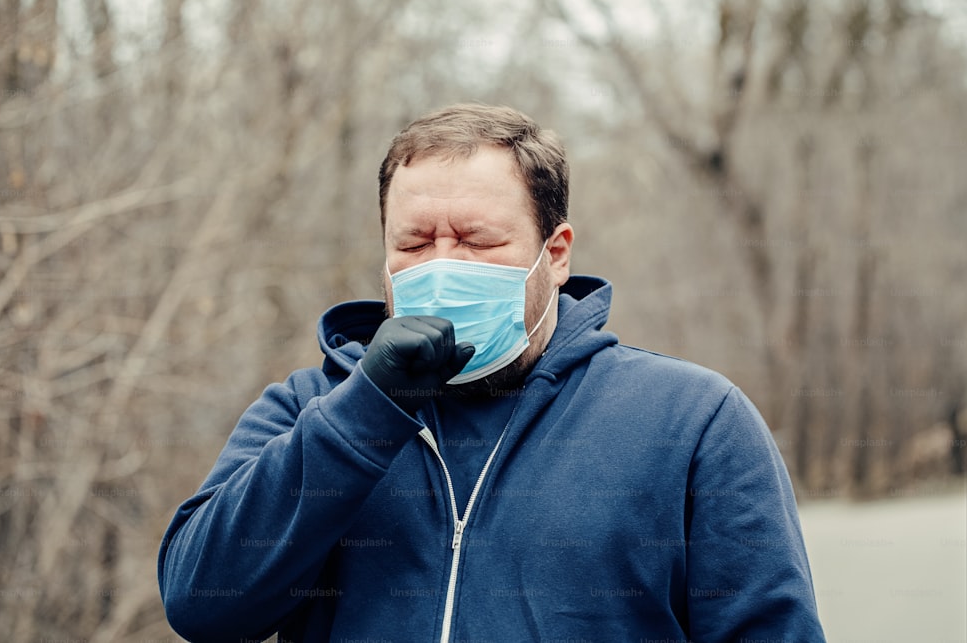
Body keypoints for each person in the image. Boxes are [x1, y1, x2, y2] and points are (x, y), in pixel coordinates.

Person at [158, 103, 826, 642]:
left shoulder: (692, 422)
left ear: (555, 254)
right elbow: (201, 605)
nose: (443, 266)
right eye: (414, 243)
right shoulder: (309, 407)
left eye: (479, 241)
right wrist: (365, 414)